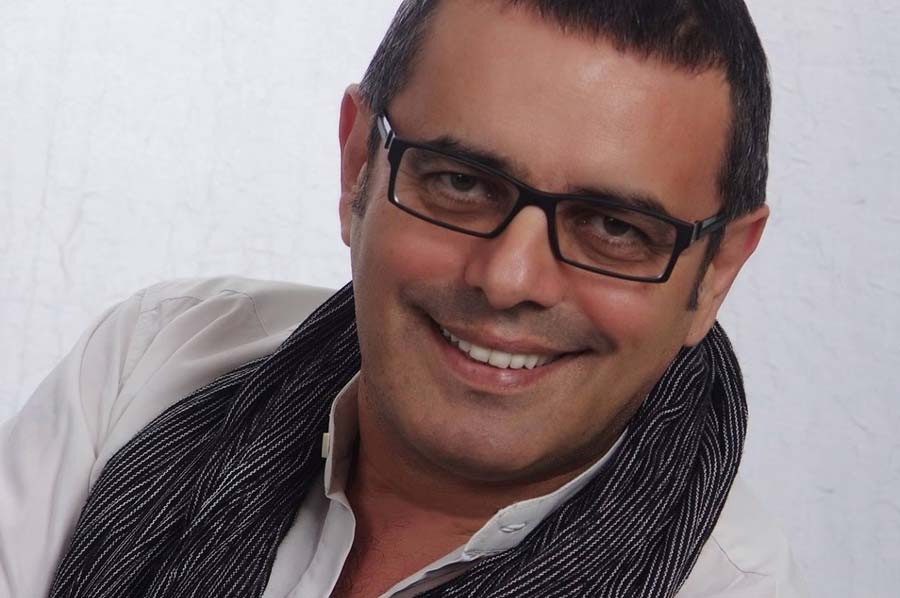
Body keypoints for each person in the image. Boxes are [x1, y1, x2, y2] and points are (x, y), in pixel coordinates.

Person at [0, 1, 807, 597]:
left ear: (717, 271)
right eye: (462, 183)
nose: (508, 279)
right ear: (358, 165)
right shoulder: (148, 366)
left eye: (615, 228)